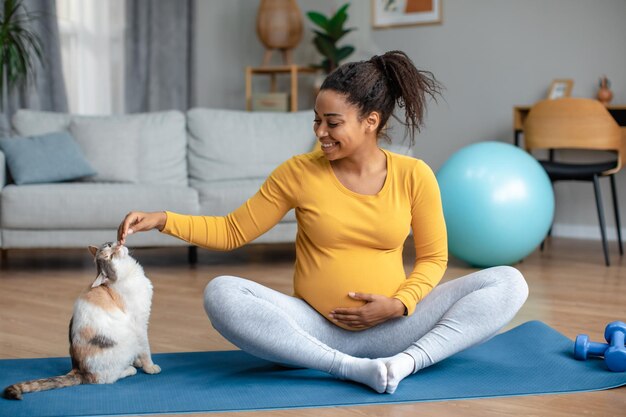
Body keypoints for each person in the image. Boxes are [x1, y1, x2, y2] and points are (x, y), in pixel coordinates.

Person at [117, 50, 528, 394]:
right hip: (313, 329)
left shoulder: (414, 175)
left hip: (395, 327)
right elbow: (233, 230)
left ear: (371, 121)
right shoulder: (298, 172)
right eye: (316, 120)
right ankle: (348, 368)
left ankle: (406, 364)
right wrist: (163, 219)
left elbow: (434, 258)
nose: (320, 132)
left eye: (332, 123)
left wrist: (399, 304)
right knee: (221, 292)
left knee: (509, 283)